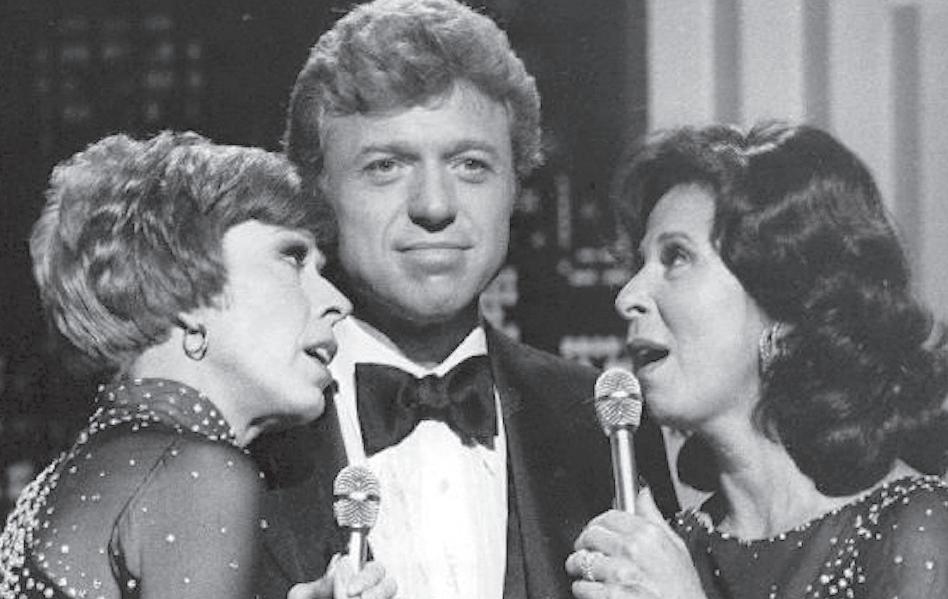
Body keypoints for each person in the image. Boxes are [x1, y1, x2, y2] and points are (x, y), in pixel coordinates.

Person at [249, 1, 679, 598]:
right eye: (386, 165)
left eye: (471, 164)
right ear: (316, 191)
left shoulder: (602, 426)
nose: (435, 205)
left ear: (514, 186)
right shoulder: (246, 430)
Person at [0, 132, 396, 599]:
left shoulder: (67, 478)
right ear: (186, 287)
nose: (338, 302)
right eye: (292, 258)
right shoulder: (197, 471)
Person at [565, 122, 948, 598]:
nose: (628, 297)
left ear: (787, 305)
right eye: (639, 264)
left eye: (676, 257)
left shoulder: (915, 530)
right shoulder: (671, 551)